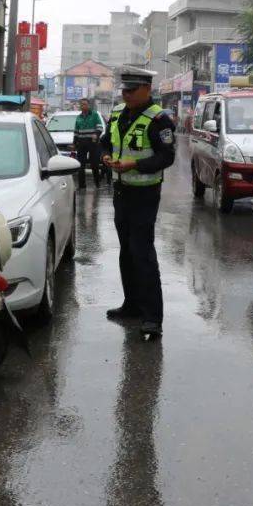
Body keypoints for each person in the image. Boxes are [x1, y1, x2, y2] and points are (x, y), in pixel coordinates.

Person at [101, 67, 176, 339]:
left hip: (145, 194)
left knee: (142, 253)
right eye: (124, 90)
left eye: (131, 90)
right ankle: (131, 304)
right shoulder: (118, 113)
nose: (126, 94)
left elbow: (166, 157)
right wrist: (106, 157)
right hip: (121, 192)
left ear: (147, 89)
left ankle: (153, 318)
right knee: (126, 252)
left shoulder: (159, 120)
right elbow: (105, 143)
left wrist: (135, 164)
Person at [74, 98, 106, 189]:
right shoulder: (78, 117)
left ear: (88, 105)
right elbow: (76, 132)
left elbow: (100, 127)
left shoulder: (94, 115)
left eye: (85, 104)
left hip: (93, 143)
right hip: (81, 143)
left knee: (94, 165)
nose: (83, 106)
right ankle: (82, 186)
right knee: (81, 165)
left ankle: (97, 184)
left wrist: (96, 134)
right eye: (82, 104)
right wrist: (74, 142)